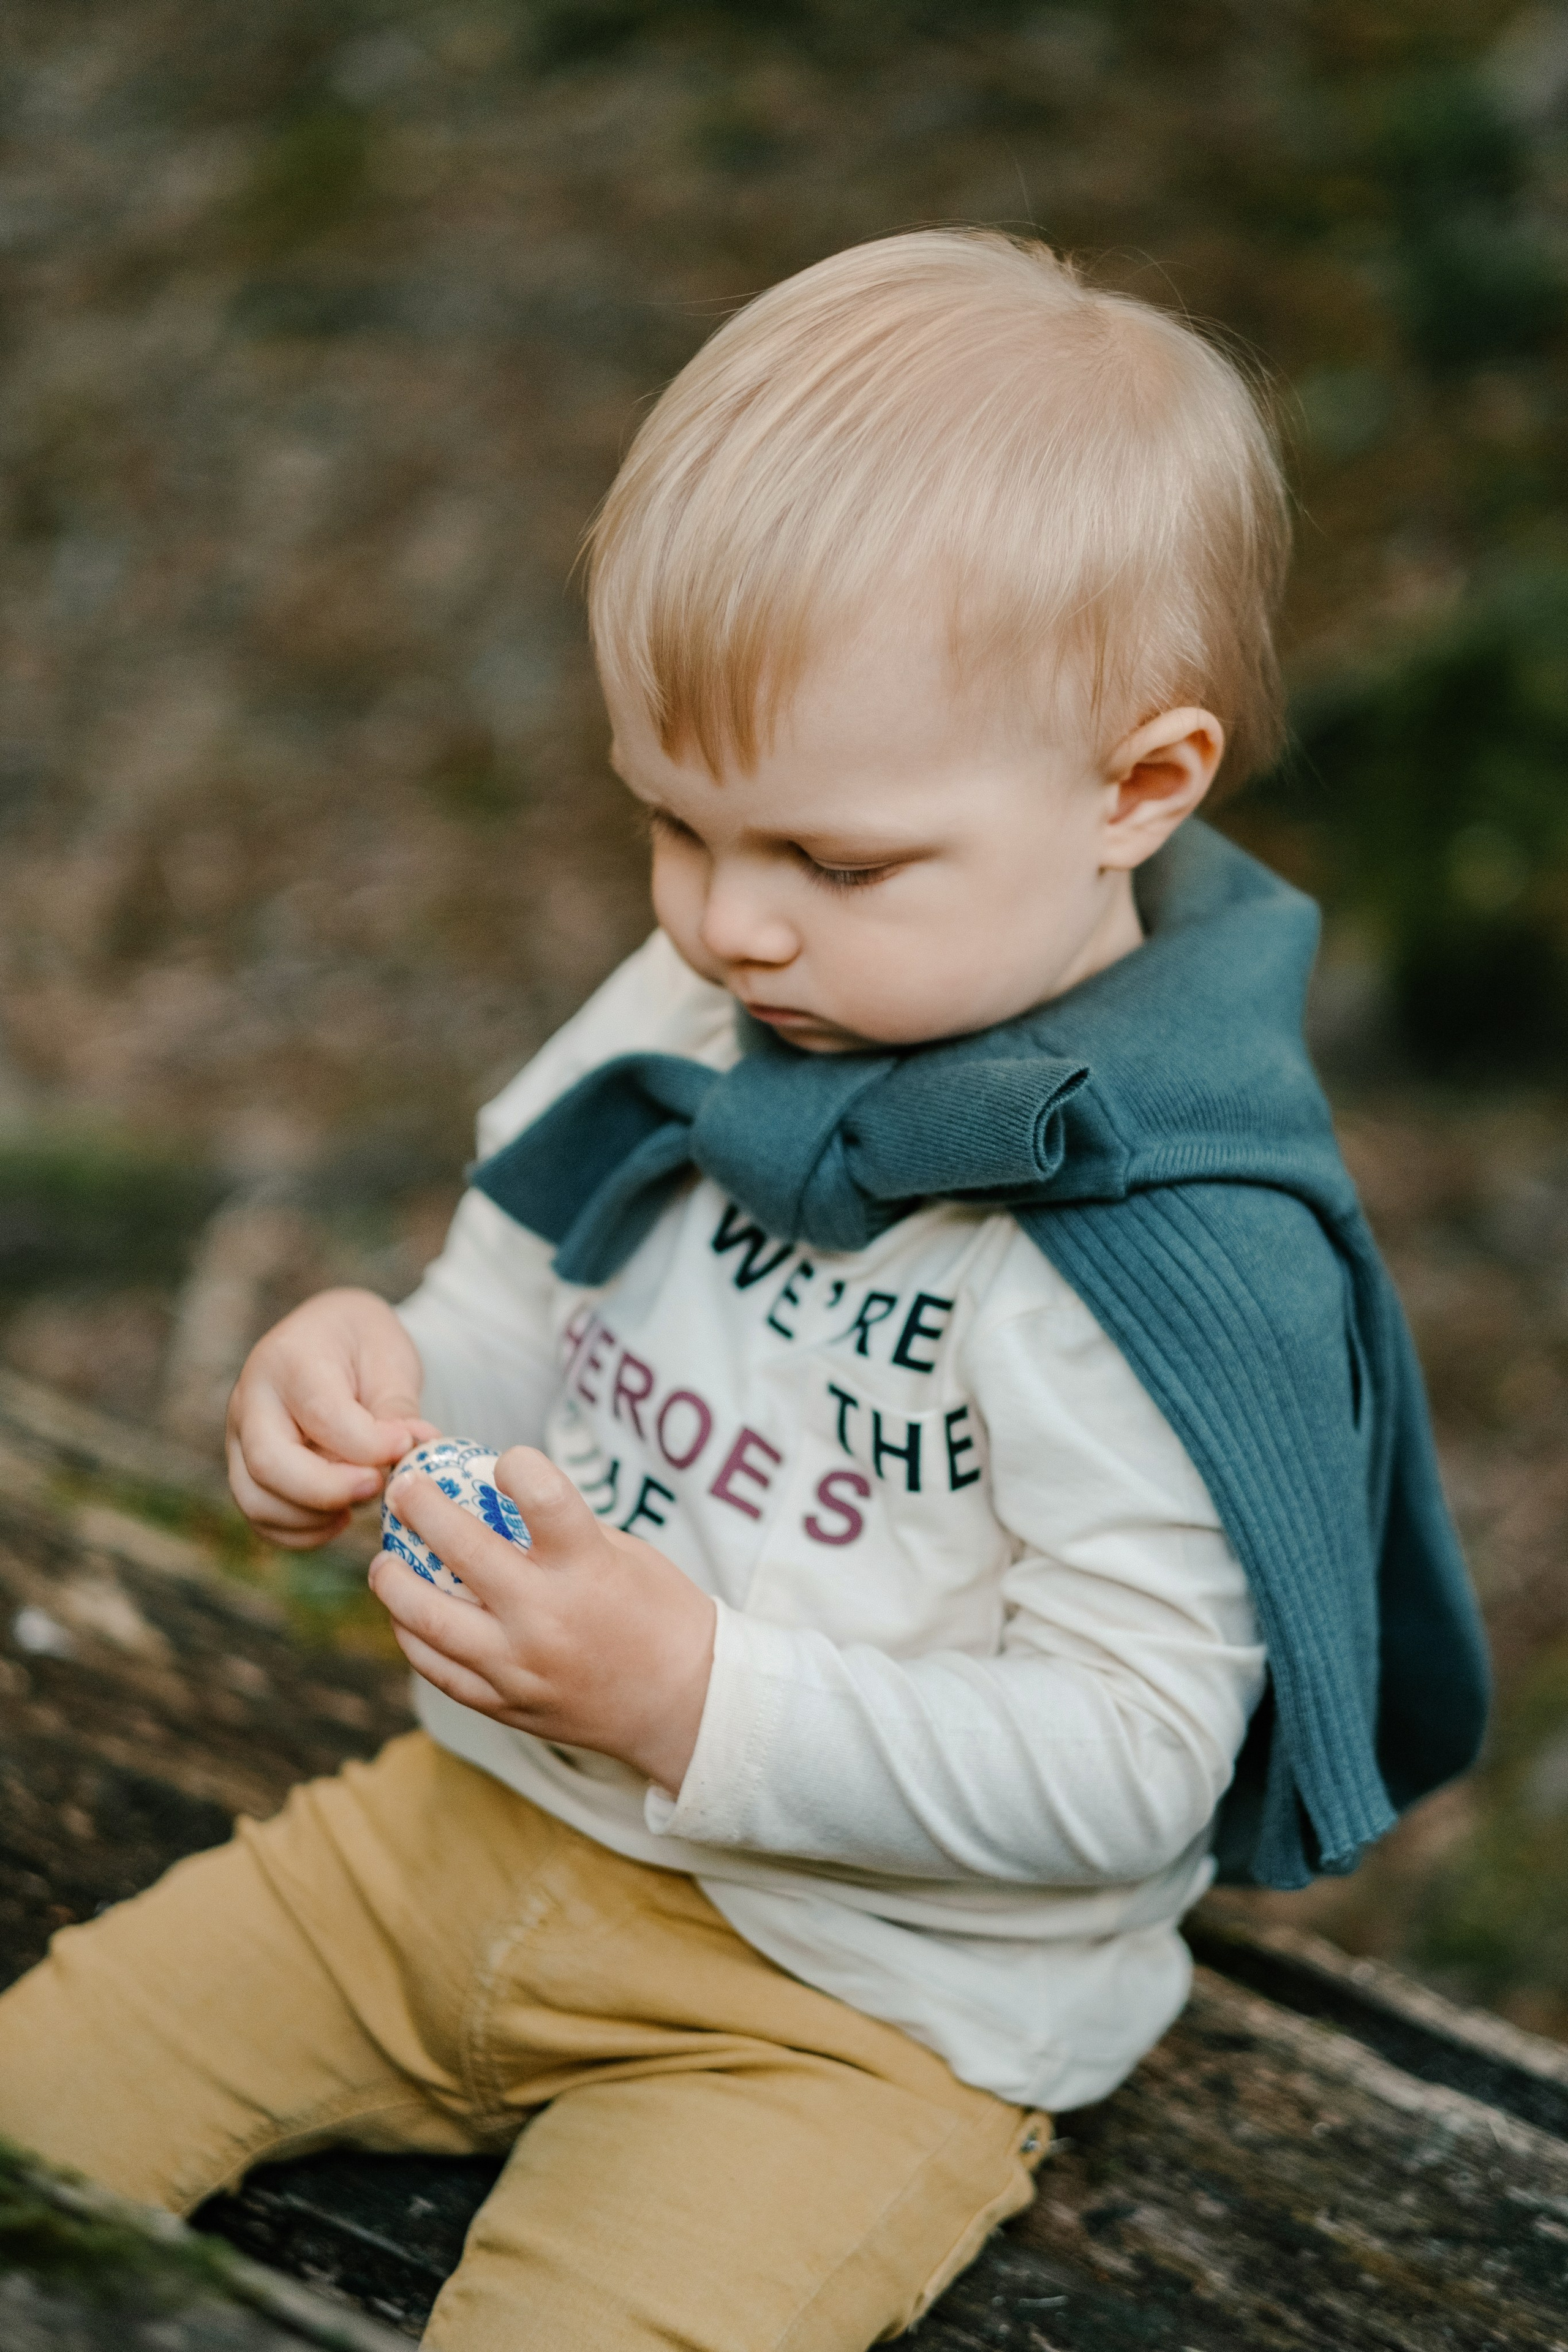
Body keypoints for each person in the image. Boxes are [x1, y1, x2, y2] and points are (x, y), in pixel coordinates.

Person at [0, 230, 1488, 2351]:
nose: (728, 926)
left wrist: (696, 1698)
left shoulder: (1163, 1242)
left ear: (1136, 789)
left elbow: (1136, 1756)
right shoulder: (704, 995)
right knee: (34, 2116)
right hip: (450, 1837)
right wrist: (380, 1378)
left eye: (831, 861)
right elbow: (521, 1300)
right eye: (671, 828)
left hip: (855, 2009)